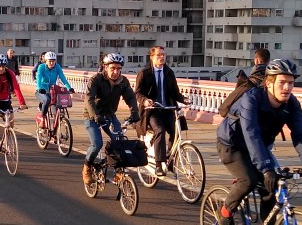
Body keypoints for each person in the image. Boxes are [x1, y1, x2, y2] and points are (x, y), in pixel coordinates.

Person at [214, 58, 302, 225]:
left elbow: (300, 133)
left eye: (291, 83)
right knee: (248, 180)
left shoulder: (291, 104)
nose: (287, 88)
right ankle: (225, 214)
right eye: (282, 83)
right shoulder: (251, 99)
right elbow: (251, 134)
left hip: (260, 146)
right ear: (268, 83)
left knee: (272, 190)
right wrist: (266, 168)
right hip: (232, 144)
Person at [83, 53, 140, 184]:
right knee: (97, 144)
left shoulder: (123, 81)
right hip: (92, 116)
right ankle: (87, 167)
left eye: (118, 69)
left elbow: (130, 97)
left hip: (109, 115)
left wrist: (134, 112)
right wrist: (95, 115)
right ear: (105, 67)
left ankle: (118, 171)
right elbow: (89, 98)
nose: (116, 72)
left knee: (119, 142)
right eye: (112, 68)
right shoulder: (96, 79)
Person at [134, 45, 190, 176]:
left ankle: (170, 157)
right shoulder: (144, 73)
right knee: (160, 129)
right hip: (152, 111)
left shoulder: (169, 72)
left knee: (176, 130)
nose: (162, 57)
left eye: (163, 55)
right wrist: (145, 100)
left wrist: (183, 99)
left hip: (168, 109)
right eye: (158, 55)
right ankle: (159, 164)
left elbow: (175, 93)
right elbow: (137, 93)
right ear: (152, 57)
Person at [0, 54, 27, 148]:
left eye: (3, 66)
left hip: (4, 99)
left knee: (11, 117)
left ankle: (7, 137)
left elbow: (16, 88)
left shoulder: (9, 73)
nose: (1, 68)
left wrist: (22, 103)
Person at [35, 51, 73, 118]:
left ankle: (57, 119)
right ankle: (43, 117)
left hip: (52, 90)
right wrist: (39, 88)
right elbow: (38, 78)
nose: (52, 63)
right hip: (42, 91)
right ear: (46, 61)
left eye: (53, 61)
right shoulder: (41, 67)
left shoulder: (57, 67)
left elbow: (63, 78)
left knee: (57, 101)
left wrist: (69, 88)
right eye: (50, 61)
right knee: (47, 100)